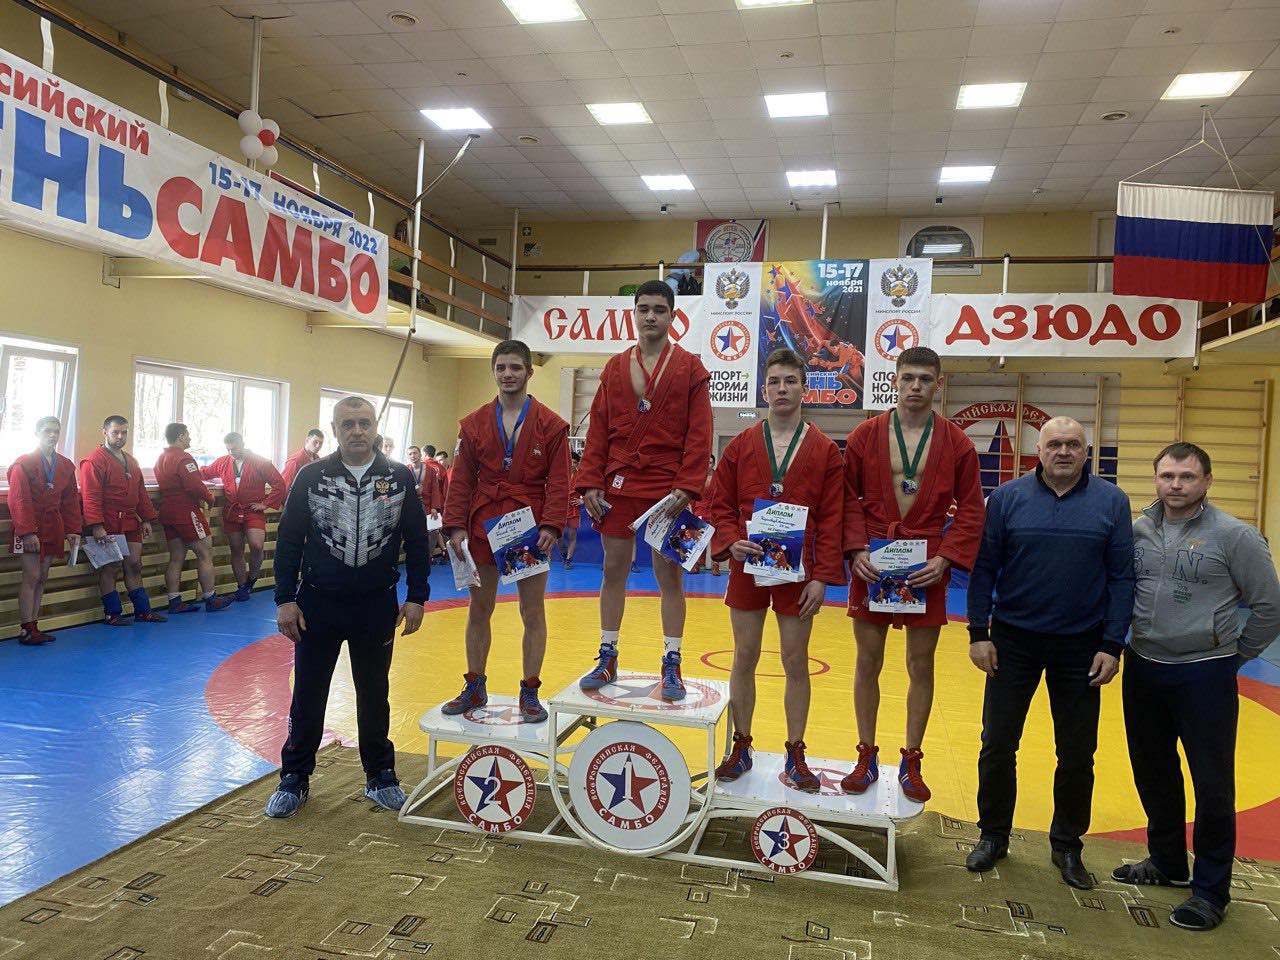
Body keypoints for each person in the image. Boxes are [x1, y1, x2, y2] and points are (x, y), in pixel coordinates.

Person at [1114, 442, 1280, 931]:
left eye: (1187, 476)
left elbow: (1269, 606)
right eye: (1167, 475)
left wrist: (1234, 657)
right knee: (1153, 770)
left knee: (1211, 782)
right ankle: (1167, 861)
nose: (1176, 485)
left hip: (1205, 672)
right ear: (1155, 479)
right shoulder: (1137, 530)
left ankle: (1210, 890)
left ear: (1206, 481)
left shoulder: (1235, 536)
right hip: (1144, 666)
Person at [965, 416, 1135, 890]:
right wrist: (979, 632)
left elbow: (1122, 577)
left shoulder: (1112, 502)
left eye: (1073, 444)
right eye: (1054, 444)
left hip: (1082, 645)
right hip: (1012, 641)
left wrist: (1112, 644)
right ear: (1038, 450)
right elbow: (983, 568)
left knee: (1077, 752)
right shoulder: (1007, 498)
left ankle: (1067, 845)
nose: (1064, 451)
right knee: (998, 743)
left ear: (1086, 452)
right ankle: (992, 835)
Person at [265, 395, 431, 818]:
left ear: (376, 427)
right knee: (308, 693)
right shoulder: (311, 476)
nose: (357, 431)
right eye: (348, 424)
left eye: (364, 423)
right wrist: (285, 599)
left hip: (376, 605)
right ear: (335, 430)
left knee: (375, 694)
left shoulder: (398, 478)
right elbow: (288, 541)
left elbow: (417, 540)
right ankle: (294, 777)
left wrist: (417, 596)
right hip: (317, 604)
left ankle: (381, 775)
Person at [842, 346, 984, 802]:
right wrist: (855, 548)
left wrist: (946, 558)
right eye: (908, 378)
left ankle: (912, 759)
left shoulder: (956, 442)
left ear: (937, 384)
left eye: (925, 379)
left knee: (920, 664)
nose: (916, 386)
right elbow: (844, 497)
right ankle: (866, 754)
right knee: (867, 661)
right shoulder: (865, 435)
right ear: (895, 381)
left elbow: (972, 509)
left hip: (926, 563)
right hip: (874, 559)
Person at [705, 348, 846, 791]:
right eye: (774, 382)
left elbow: (833, 518)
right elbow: (718, 504)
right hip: (748, 565)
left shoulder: (825, 450)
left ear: (805, 389)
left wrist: (821, 577)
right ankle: (741, 746)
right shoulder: (740, 446)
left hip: (798, 572)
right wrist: (730, 540)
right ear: (764, 390)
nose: (782, 389)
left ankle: (796, 753)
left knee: (795, 660)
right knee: (744, 656)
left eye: (790, 381)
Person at [575, 279, 713, 701]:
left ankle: (672, 660)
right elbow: (598, 428)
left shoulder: (689, 367)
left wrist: (688, 485)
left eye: (659, 309)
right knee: (613, 570)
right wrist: (590, 480)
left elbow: (700, 432)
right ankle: (607, 654)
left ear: (673, 316)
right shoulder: (615, 367)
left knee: (669, 575)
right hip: (619, 481)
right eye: (644, 309)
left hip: (668, 487)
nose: (651, 316)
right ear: (634, 313)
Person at [442, 340, 571, 722]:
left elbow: (560, 481)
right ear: (493, 371)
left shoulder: (551, 425)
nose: (508, 374)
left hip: (527, 526)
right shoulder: (474, 423)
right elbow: (461, 479)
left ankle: (530, 690)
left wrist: (552, 524)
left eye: (515, 367)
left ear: (529, 371)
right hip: (483, 523)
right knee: (479, 608)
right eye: (501, 367)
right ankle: (474, 685)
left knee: (532, 611)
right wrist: (455, 526)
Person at [80, 415, 166, 625]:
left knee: (135, 564)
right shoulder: (94, 461)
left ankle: (143, 611)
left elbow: (140, 492)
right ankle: (112, 613)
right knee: (111, 567)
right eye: (115, 432)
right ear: (105, 432)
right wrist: (97, 525)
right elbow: (90, 496)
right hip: (108, 522)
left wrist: (146, 519)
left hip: (130, 521)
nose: (120, 437)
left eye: (124, 432)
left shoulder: (131, 461)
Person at [8, 416, 81, 644]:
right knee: (31, 576)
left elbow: (70, 501)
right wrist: (27, 532)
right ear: (37, 433)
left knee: (42, 577)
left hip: (53, 525)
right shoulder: (23, 463)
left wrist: (73, 529)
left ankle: (34, 625)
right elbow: (18, 499)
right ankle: (25, 629)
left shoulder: (66, 465)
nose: (52, 435)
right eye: (47, 431)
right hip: (30, 525)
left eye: (56, 431)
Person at [153, 422, 233, 614]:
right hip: (185, 511)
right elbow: (194, 484)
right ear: (181, 436)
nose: (189, 438)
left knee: (176, 558)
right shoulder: (183, 458)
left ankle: (174, 601)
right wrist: (209, 498)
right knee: (205, 553)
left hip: (167, 511)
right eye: (187, 435)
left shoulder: (161, 458)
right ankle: (211, 598)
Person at [202, 433, 285, 601]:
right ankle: (242, 587)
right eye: (228, 449)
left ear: (243, 444)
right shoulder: (223, 462)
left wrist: (266, 504)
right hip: (232, 510)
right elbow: (203, 473)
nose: (232, 452)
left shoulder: (260, 462)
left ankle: (251, 579)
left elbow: (279, 484)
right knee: (236, 549)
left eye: (235, 449)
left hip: (253, 510)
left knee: (256, 545)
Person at [560, 450, 582, 569]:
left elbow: (589, 492)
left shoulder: (581, 477)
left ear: (578, 463)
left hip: (574, 510)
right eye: (570, 462)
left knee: (572, 537)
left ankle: (568, 560)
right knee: (558, 536)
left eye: (575, 462)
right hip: (560, 510)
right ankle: (564, 553)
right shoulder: (560, 475)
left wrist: (582, 501)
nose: (572, 464)